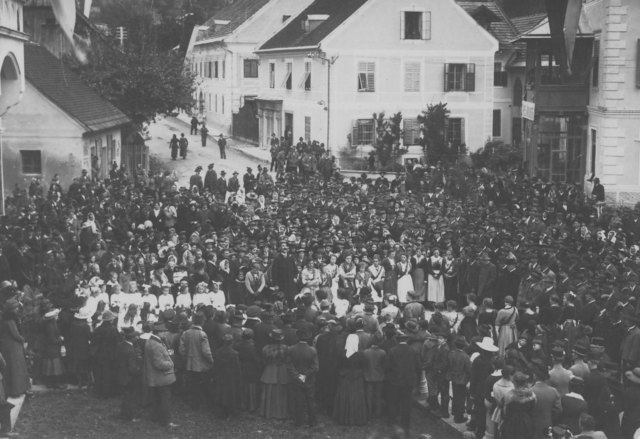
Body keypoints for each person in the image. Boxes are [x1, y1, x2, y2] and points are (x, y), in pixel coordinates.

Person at [386, 331, 421, 435]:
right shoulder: (412, 351)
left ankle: (392, 420)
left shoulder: (392, 350)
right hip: (408, 382)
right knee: (406, 403)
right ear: (406, 340)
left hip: (394, 381)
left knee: (393, 401)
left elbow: (387, 367)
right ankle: (405, 423)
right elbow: (418, 367)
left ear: (397, 340)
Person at [144, 322, 178, 428]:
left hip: (155, 376)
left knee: (157, 398)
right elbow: (159, 364)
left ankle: (155, 417)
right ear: (159, 332)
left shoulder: (151, 341)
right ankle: (167, 421)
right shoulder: (156, 345)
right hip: (162, 377)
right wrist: (171, 363)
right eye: (164, 331)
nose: (166, 333)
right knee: (165, 399)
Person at [179, 313, 214, 410]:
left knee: (193, 383)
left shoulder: (186, 333)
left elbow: (181, 350)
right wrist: (211, 361)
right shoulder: (202, 334)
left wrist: (186, 357)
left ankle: (194, 403)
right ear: (202, 321)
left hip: (189, 363)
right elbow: (206, 351)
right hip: (200, 364)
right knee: (202, 383)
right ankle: (201, 403)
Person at [286, 328, 319, 426]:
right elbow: (315, 367)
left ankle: (299, 421)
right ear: (308, 337)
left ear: (297, 337)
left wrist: (297, 376)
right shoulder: (312, 350)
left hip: (296, 379)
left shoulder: (290, 349)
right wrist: (305, 375)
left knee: (298, 400)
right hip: (309, 379)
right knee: (310, 400)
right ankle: (312, 421)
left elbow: (289, 365)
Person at [260, 329, 289, 419]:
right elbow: (288, 360)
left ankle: (268, 412)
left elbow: (264, 360)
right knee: (282, 392)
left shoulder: (266, 348)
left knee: (269, 391)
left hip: (270, 370)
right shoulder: (286, 348)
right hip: (282, 370)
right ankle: (281, 413)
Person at [116, 327, 142, 421]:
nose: (137, 338)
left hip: (121, 374)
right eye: (135, 336)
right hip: (129, 377)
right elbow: (132, 368)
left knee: (126, 396)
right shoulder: (131, 350)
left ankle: (124, 414)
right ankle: (130, 416)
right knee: (130, 397)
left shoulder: (121, 345)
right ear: (131, 338)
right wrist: (138, 371)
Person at [501, 371, 536, 439]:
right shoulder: (531, 395)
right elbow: (533, 408)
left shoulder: (508, 396)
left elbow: (505, 412)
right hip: (527, 423)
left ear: (513, 382)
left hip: (511, 424)